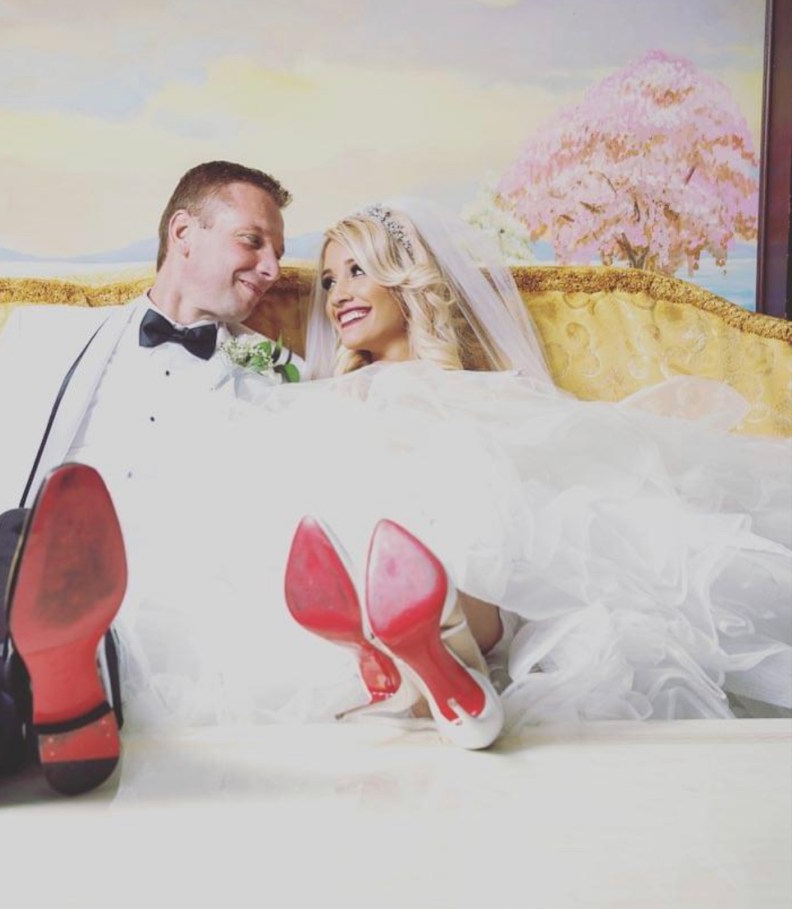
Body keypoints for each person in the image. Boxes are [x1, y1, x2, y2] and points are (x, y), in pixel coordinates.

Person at [102, 199, 790, 762]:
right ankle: (429, 662)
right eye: (331, 279)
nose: (339, 294)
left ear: (406, 277)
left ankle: (432, 637)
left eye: (358, 270)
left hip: (472, 538)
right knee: (319, 514)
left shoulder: (480, 395)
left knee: (473, 498)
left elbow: (543, 478)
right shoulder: (310, 396)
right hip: (350, 529)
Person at [0, 160, 295, 818]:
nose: (273, 267)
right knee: (21, 533)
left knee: (59, 583)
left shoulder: (277, 377)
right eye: (254, 240)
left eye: (279, 251)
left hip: (158, 605)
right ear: (185, 232)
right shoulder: (45, 336)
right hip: (15, 578)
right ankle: (54, 705)